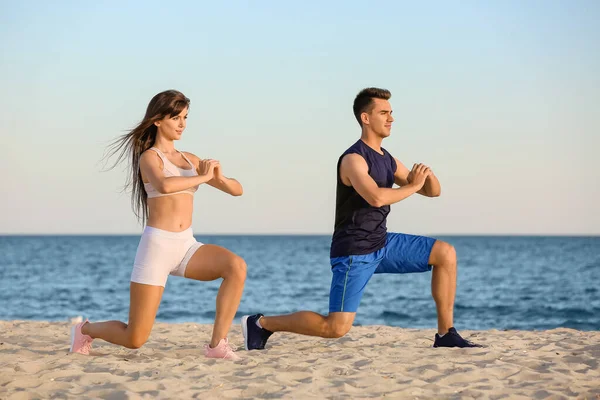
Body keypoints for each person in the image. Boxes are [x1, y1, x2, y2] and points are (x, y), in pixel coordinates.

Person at [242, 87, 480, 349]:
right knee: (335, 328)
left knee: (445, 253)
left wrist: (426, 175)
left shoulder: (387, 159)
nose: (391, 118)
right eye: (384, 113)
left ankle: (446, 334)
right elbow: (375, 197)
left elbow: (432, 192)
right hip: (354, 250)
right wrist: (412, 186)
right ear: (366, 118)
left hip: (382, 243)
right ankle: (261, 324)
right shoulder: (353, 159)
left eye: (391, 113)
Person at [69, 90, 246, 360]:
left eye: (185, 117)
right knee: (135, 338)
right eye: (175, 117)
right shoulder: (150, 158)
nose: (182, 124)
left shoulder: (190, 160)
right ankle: (85, 329)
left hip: (186, 246)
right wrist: (202, 178)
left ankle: (217, 346)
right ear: (157, 120)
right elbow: (164, 186)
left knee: (235, 266)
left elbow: (237, 190)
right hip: (157, 248)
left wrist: (218, 177)